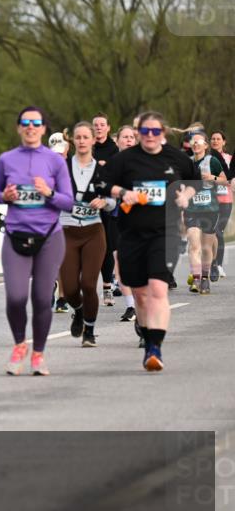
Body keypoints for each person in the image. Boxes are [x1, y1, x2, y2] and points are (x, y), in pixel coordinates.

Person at [104, 111, 198, 371]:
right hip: (131, 234)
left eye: (155, 132)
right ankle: (148, 340)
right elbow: (103, 184)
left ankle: (155, 348)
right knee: (142, 296)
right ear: (138, 134)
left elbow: (195, 181)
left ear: (163, 134)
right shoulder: (125, 160)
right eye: (145, 132)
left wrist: (186, 195)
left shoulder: (175, 158)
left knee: (158, 290)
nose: (150, 136)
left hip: (164, 233)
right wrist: (124, 193)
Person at [0, 106, 73, 376]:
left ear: (43, 128)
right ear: (19, 128)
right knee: (15, 297)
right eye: (25, 122)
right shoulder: (6, 159)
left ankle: (38, 353)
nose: (30, 127)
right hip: (15, 235)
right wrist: (6, 196)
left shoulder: (55, 161)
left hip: (49, 237)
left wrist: (49, 193)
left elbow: (68, 202)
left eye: (36, 123)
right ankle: (18, 345)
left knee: (41, 298)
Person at [58, 122, 116, 347]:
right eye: (78, 137)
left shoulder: (103, 170)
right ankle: (80, 311)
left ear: (93, 140)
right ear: (73, 141)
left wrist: (104, 201)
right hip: (67, 231)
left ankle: (89, 331)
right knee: (71, 288)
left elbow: (113, 201)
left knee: (89, 285)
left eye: (86, 137)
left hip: (94, 231)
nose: (82, 141)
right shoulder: (61, 168)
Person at [184, 132, 225, 294]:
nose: (196, 144)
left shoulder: (212, 161)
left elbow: (224, 180)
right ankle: (195, 279)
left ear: (206, 145)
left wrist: (212, 178)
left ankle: (205, 278)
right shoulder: (186, 162)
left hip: (210, 209)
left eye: (199, 141)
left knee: (207, 247)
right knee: (194, 244)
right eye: (193, 142)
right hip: (191, 209)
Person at [92, 113, 120, 307]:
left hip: (108, 203)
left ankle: (107, 287)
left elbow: (118, 174)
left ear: (108, 128)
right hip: (88, 202)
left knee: (107, 248)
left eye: (102, 125)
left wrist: (105, 167)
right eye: (96, 125)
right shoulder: (87, 147)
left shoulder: (114, 149)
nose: (99, 128)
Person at [114, 125, 139, 321]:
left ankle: (143, 301)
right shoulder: (112, 165)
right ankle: (131, 305)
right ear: (118, 141)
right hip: (118, 217)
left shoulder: (146, 163)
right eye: (125, 137)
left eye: (132, 137)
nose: (128, 140)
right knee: (119, 261)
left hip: (143, 219)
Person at [47, 131, 72, 313]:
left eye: (61, 150)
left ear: (67, 149)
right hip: (48, 216)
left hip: (69, 216)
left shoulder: (74, 165)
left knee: (64, 258)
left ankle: (62, 297)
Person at [209, 130, 231, 280]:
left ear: (224, 142)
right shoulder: (206, 158)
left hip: (225, 200)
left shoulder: (229, 159)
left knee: (218, 230)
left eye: (218, 139)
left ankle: (218, 265)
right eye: (213, 139)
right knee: (209, 231)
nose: (215, 141)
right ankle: (211, 263)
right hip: (209, 201)